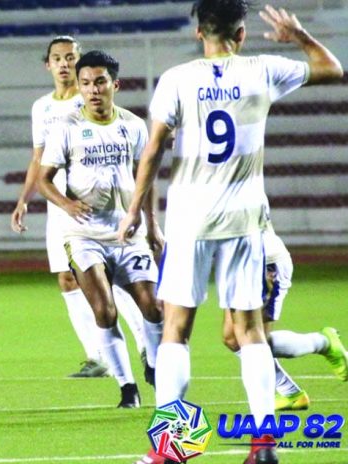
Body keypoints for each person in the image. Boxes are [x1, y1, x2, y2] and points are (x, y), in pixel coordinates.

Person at [118, 2, 343, 464]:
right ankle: (264, 446)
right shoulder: (264, 69)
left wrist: (135, 211)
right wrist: (298, 35)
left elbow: (155, 149)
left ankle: (172, 448)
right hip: (244, 220)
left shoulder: (178, 79)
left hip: (191, 219)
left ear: (199, 32)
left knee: (176, 331)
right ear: (241, 34)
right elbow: (332, 69)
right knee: (250, 333)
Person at [11, 36, 151, 379]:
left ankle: (145, 346)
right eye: (56, 58)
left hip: (99, 207)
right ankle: (98, 356)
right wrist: (24, 199)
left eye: (69, 57)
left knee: (115, 279)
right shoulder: (41, 108)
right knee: (67, 279)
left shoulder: (91, 97)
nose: (63, 63)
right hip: (60, 204)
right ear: (48, 64)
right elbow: (38, 158)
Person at [38, 50, 164, 408]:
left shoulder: (134, 125)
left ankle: (154, 364)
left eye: (100, 82)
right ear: (78, 87)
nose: (93, 90)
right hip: (83, 235)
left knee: (153, 306)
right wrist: (66, 204)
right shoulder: (67, 128)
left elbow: (147, 176)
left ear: (115, 85)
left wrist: (152, 225)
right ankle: (128, 388)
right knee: (105, 312)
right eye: (86, 83)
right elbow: (44, 181)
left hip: (127, 233)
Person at [222, 223, 348, 411]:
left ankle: (324, 343)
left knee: (253, 341)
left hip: (263, 261)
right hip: (238, 262)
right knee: (233, 338)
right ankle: (291, 393)